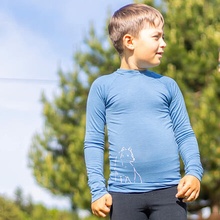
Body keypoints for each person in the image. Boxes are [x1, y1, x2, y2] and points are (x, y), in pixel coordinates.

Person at [84, 3, 203, 220]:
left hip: (171, 193)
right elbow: (94, 142)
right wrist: (98, 190)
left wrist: (194, 171)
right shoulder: (102, 87)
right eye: (156, 37)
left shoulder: (168, 86)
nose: (164, 44)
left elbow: (184, 134)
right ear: (129, 41)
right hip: (122, 196)